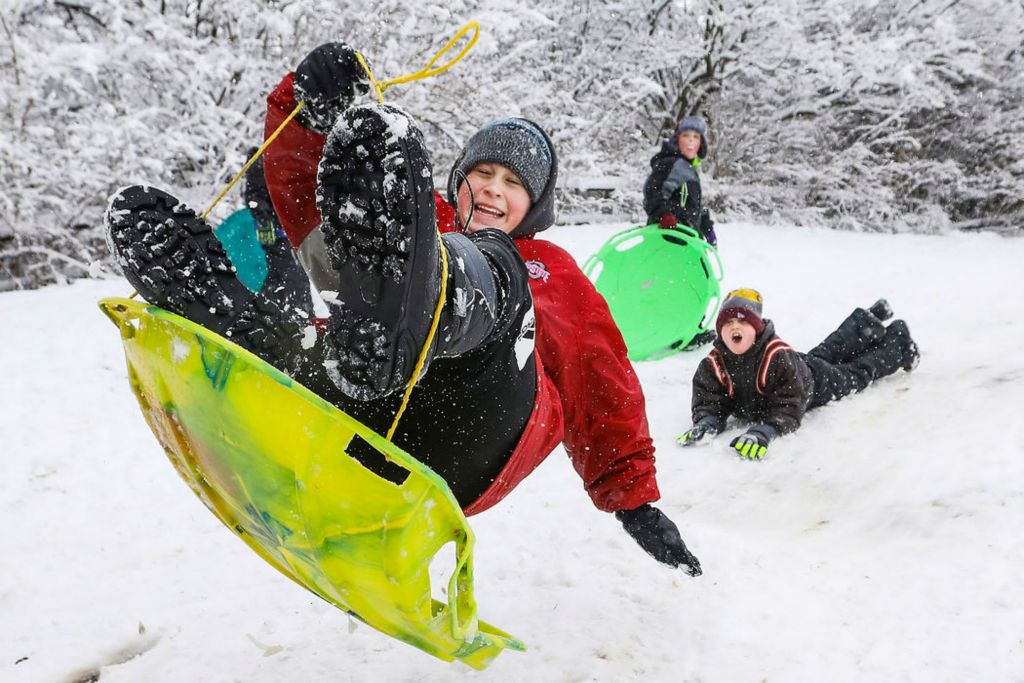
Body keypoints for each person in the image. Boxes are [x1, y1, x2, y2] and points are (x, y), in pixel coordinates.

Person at [105, 42, 702, 577]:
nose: (493, 188)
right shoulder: (416, 228)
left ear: (536, 205)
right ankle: (249, 330)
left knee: (493, 267)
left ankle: (421, 316)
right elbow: (305, 200)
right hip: (361, 414)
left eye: (513, 183)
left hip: (469, 441)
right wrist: (308, 110)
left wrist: (633, 499)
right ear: (457, 181)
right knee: (361, 276)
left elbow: (602, 378)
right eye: (482, 173)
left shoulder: (553, 271)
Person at [677, 288, 920, 459]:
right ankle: (869, 319)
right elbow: (708, 398)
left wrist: (768, 429)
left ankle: (899, 345)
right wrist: (707, 420)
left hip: (814, 383)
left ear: (757, 330)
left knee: (857, 373)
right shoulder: (713, 365)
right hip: (799, 366)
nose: (735, 328)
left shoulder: (777, 357)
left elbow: (790, 405)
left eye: (743, 324)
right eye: (727, 325)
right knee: (828, 350)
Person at [642, 115, 716, 246]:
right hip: (667, 240)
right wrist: (664, 214)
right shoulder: (670, 164)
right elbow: (652, 192)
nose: (691, 141)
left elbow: (692, 206)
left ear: (701, 143)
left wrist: (707, 227)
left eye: (696, 137)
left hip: (687, 239)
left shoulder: (689, 169)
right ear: (677, 140)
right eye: (686, 136)